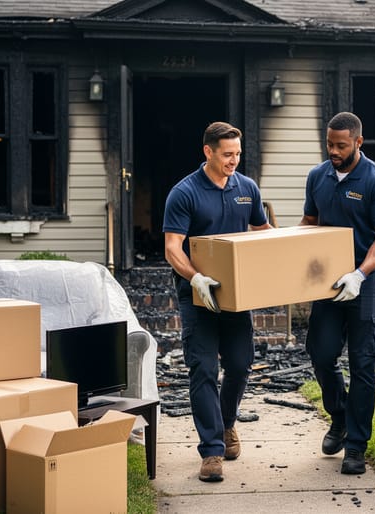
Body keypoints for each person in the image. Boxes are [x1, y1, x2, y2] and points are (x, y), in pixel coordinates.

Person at [163, 121, 271, 483]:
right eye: (227, 154)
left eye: (238, 154)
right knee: (204, 369)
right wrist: (195, 278)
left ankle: (227, 424)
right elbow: (172, 248)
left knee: (240, 365)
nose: (234, 161)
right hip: (198, 297)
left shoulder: (247, 188)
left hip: (237, 296)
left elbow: (262, 232)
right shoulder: (185, 192)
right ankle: (211, 451)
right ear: (207, 151)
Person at [300, 111, 375, 474]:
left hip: (366, 281)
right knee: (321, 353)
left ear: (358, 142)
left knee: (363, 363)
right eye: (329, 144)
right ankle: (339, 416)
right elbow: (310, 223)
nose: (333, 151)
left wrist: (359, 274)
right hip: (327, 281)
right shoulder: (317, 176)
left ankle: (356, 445)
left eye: (341, 145)